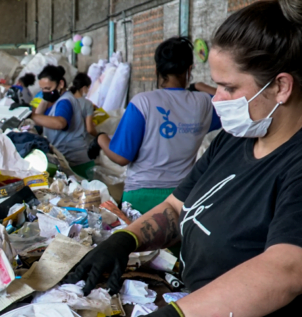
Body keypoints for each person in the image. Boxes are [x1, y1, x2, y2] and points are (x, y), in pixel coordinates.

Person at [68, 0, 302, 317]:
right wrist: (124, 241)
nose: (215, 99)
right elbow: (177, 208)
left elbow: (286, 270)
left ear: (280, 87)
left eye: (227, 87)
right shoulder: (234, 140)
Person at [88, 37, 220, 214]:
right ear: (189, 69)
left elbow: (121, 157)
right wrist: (201, 86)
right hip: (183, 198)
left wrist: (101, 138)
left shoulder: (143, 103)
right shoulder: (203, 103)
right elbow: (233, 105)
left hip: (141, 198)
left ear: (157, 70)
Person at [31, 65, 92, 179]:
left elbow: (60, 123)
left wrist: (31, 115)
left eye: (48, 88)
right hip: (69, 158)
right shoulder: (57, 99)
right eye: (42, 89)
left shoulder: (65, 101)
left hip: (76, 161)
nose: (45, 92)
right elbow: (39, 119)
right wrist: (46, 97)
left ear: (61, 84)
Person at [70, 72, 97, 137]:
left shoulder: (65, 99)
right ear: (84, 88)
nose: (88, 91)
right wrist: (98, 136)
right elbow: (90, 129)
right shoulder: (87, 104)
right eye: (88, 88)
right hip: (80, 140)